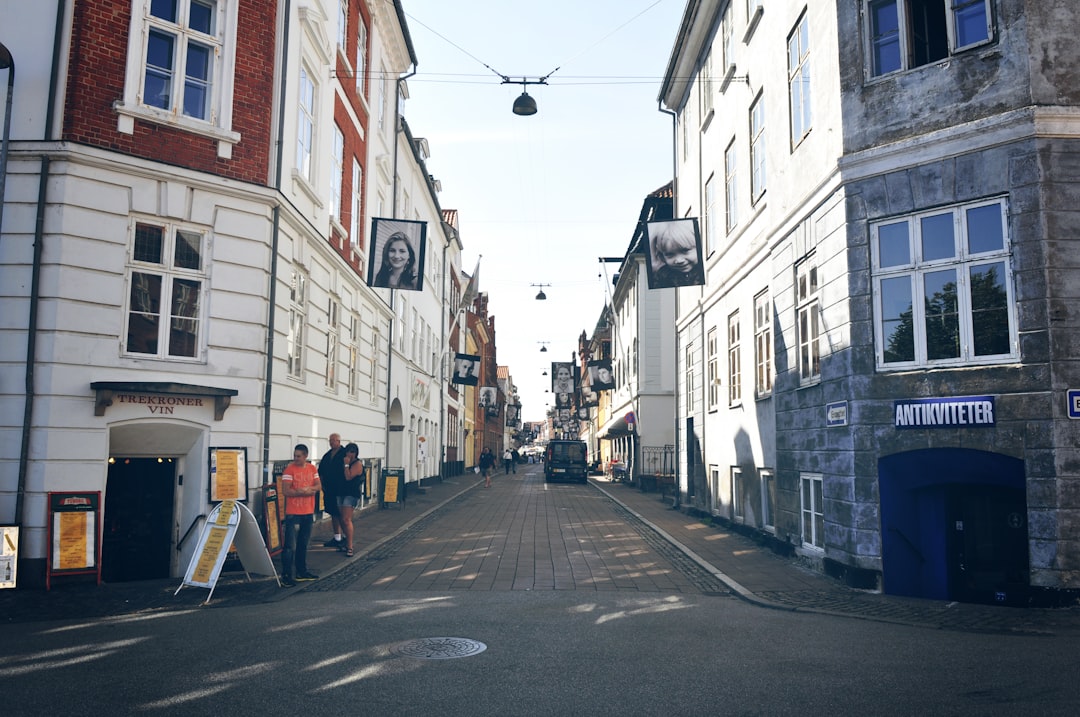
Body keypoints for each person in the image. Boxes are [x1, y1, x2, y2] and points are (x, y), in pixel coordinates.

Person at [281, 443, 321, 587]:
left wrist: (309, 489)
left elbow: (318, 486)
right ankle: (286, 575)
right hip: (293, 513)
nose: (296, 458)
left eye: (299, 456)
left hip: (308, 512)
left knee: (303, 544)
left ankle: (301, 571)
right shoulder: (289, 469)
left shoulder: (312, 468)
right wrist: (301, 491)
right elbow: (285, 491)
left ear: (305, 456)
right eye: (295, 456)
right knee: (290, 546)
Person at [650, 220, 705, 287]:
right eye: (670, 254)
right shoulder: (662, 276)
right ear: (662, 257)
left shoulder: (704, 269)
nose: (679, 260)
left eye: (685, 250)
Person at [319, 433, 346, 549]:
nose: (332, 442)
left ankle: (346, 538)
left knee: (342, 515)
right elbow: (320, 471)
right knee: (333, 513)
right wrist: (321, 484)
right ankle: (337, 537)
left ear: (339, 441)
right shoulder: (327, 455)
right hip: (329, 489)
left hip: (341, 490)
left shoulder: (344, 454)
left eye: (334, 440)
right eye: (330, 440)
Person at [339, 443, 364, 558]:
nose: (349, 454)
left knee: (346, 519)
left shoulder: (357, 464)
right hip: (342, 492)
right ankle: (345, 541)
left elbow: (348, 477)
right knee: (341, 519)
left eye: (352, 452)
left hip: (351, 494)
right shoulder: (347, 462)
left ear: (355, 453)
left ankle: (350, 546)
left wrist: (346, 465)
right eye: (348, 451)